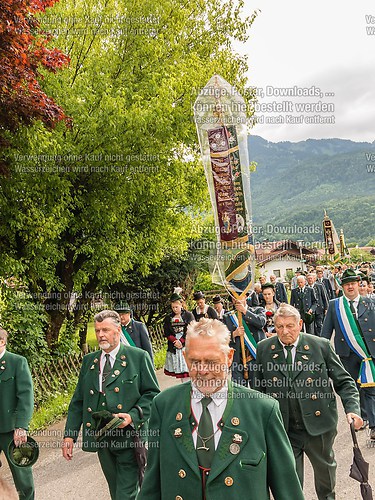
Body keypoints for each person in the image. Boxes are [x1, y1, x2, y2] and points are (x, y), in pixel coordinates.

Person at [138, 318, 304, 500]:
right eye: (194, 361)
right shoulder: (164, 405)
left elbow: (288, 490)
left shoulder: (262, 410)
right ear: (184, 357)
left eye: (211, 361)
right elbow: (151, 484)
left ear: (229, 357)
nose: (202, 370)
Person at [254, 304, 362, 500]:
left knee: (325, 478)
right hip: (284, 427)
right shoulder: (264, 349)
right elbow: (257, 390)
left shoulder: (319, 346)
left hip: (319, 426)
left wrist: (352, 409)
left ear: (300, 324)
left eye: (289, 326)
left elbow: (344, 381)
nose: (284, 331)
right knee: (290, 482)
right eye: (279, 327)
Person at [62, 310, 160, 500]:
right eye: (98, 330)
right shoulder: (89, 361)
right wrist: (69, 436)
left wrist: (132, 415)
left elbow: (152, 394)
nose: (100, 335)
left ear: (118, 329)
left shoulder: (137, 357)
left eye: (105, 330)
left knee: (126, 493)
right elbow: (78, 401)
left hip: (129, 437)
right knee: (116, 492)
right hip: (102, 437)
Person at [322, 269, 375, 440]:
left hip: (368, 354)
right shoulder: (335, 305)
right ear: (342, 287)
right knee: (353, 388)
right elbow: (326, 333)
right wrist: (321, 355)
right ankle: (360, 417)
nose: (350, 287)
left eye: (352, 283)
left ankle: (373, 425)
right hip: (347, 354)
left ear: (358, 284)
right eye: (346, 284)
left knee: (370, 389)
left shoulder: (369, 303)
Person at [0, 328, 35, 500]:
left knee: (22, 475)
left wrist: (21, 426)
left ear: (2, 342)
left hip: (11, 429)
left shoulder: (17, 362)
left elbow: (25, 397)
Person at [223, 296, 266, 387]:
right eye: (234, 298)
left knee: (257, 389)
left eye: (239, 297)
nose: (237, 300)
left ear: (245, 297)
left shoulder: (258, 310)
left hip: (254, 358)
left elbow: (261, 323)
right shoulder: (228, 317)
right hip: (237, 360)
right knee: (239, 392)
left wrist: (244, 311)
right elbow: (222, 337)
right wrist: (234, 334)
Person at [163, 293, 195, 380]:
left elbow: (191, 330)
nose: (174, 309)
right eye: (173, 307)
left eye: (176, 307)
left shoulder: (188, 315)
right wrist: (175, 341)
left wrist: (181, 341)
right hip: (175, 346)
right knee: (182, 372)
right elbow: (166, 332)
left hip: (187, 345)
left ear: (181, 304)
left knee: (190, 370)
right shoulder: (168, 318)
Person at [306, 272, 328, 336]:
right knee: (311, 327)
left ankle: (320, 337)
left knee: (319, 324)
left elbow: (324, 297)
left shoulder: (319, 286)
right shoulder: (306, 288)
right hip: (311, 309)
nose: (310, 280)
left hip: (319, 308)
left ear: (314, 279)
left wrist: (326, 308)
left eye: (311, 278)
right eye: (308, 279)